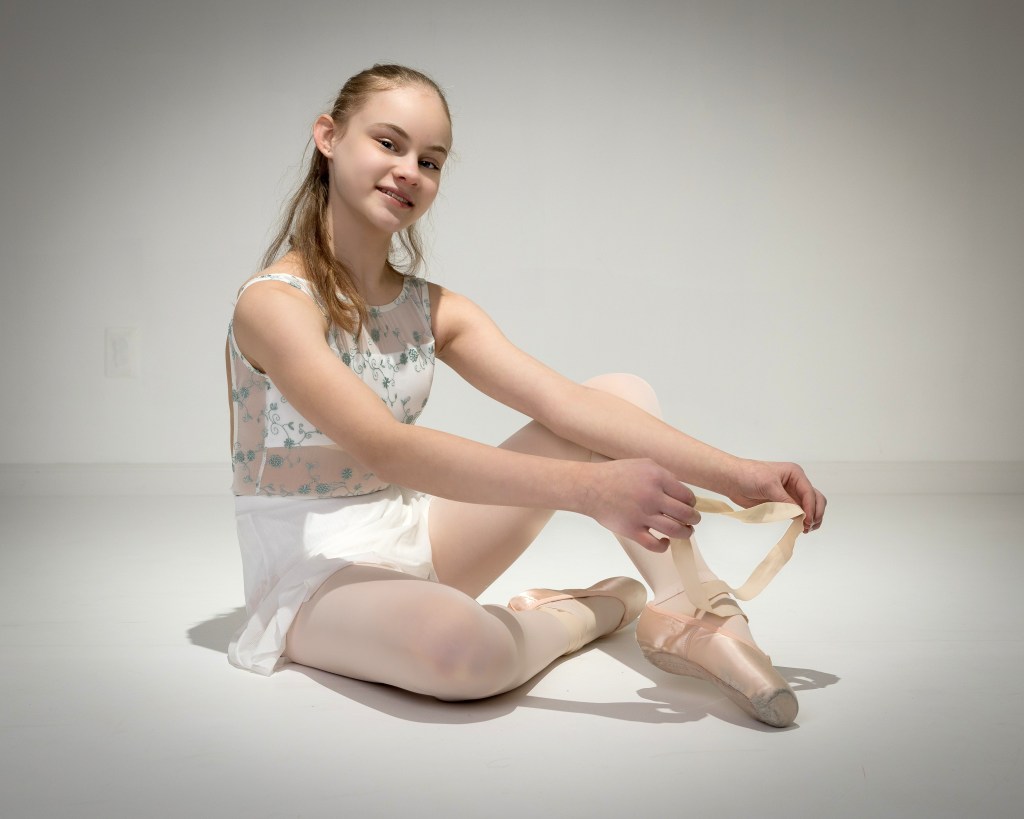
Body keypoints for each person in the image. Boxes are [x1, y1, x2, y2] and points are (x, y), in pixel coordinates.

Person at [225, 64, 827, 728]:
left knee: (616, 396)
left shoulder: (433, 307)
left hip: (413, 532)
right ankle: (581, 615)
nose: (409, 171)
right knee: (462, 650)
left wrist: (737, 474)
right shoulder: (273, 305)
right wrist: (590, 491)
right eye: (389, 143)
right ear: (329, 137)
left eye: (431, 160)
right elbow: (386, 447)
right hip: (311, 571)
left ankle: (689, 610)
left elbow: (566, 404)